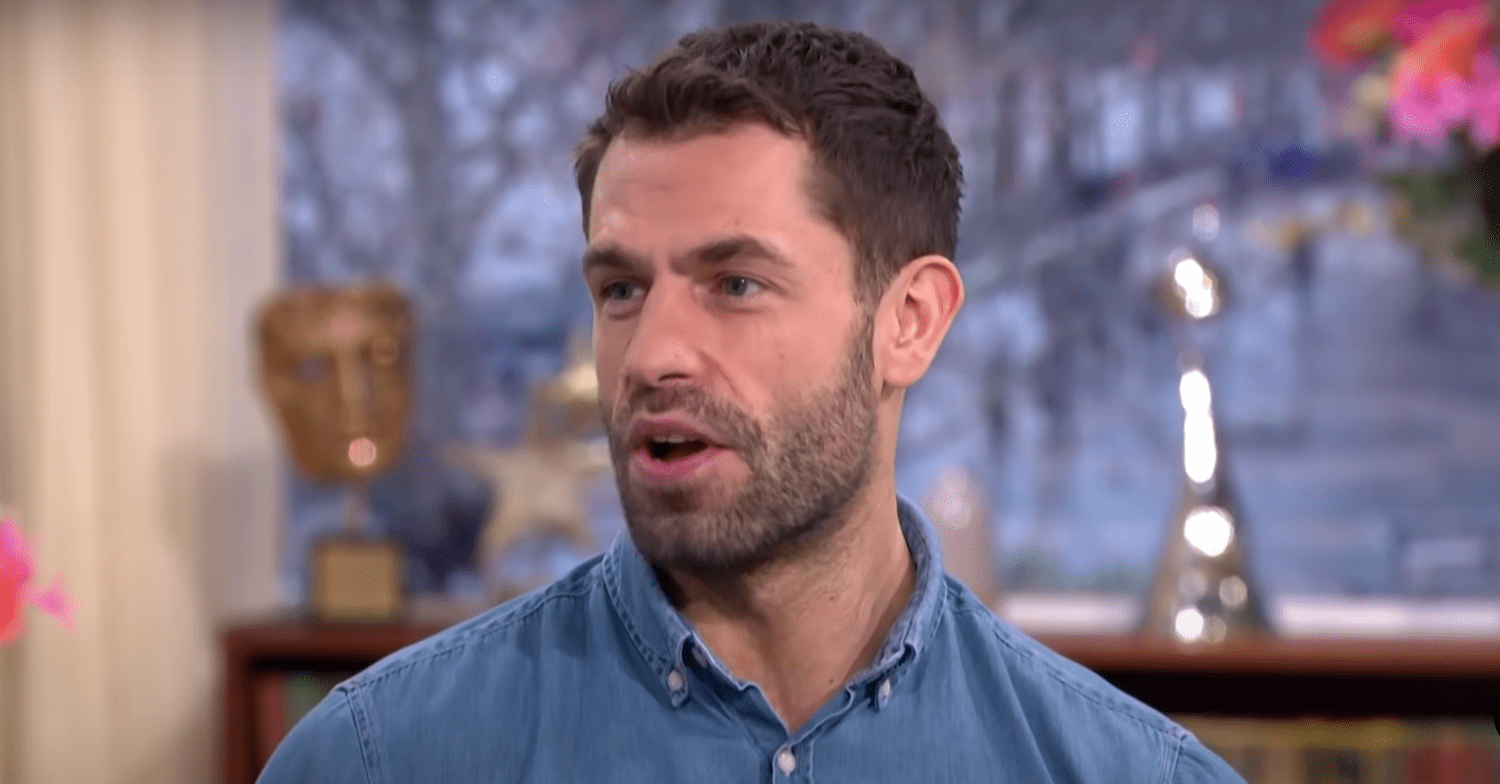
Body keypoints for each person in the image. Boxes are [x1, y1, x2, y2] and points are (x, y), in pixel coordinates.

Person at [259, 20, 1246, 783]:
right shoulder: (376, 759)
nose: (652, 356)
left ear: (910, 322)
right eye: (621, 289)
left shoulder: (1127, 773)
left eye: (735, 283)